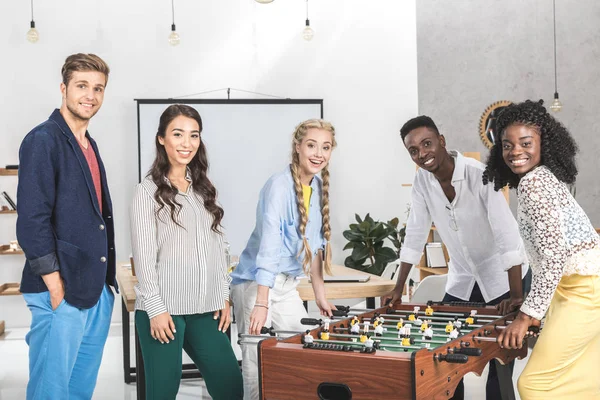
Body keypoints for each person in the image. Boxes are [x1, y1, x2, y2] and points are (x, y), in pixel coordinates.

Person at [382, 115, 530, 400]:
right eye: (413, 150)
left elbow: (508, 239)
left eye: (427, 143)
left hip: (504, 279)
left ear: (441, 141)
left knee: (499, 368)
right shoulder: (422, 183)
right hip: (462, 280)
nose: (422, 153)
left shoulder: (481, 175)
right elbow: (414, 234)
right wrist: (398, 288)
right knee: (445, 362)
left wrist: (516, 299)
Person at [483, 100, 600, 399]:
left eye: (525, 143)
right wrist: (530, 306)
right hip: (578, 288)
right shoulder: (542, 178)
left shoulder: (535, 183)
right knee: (586, 379)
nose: (515, 152)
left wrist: (526, 316)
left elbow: (553, 257)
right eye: (507, 145)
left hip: (584, 292)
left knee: (534, 384)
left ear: (542, 143)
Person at [17, 53, 116, 400]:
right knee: (50, 391)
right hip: (60, 291)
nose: (91, 95)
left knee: (78, 391)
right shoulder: (43, 139)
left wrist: (106, 287)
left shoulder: (90, 145)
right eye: (82, 86)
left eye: (98, 88)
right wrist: (55, 287)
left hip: (94, 289)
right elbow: (32, 219)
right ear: (64, 88)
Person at [130, 104, 243, 400]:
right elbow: (143, 257)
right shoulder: (146, 191)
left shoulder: (203, 188)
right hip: (164, 310)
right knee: (163, 392)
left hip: (205, 308)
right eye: (178, 134)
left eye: (194, 136)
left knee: (230, 384)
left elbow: (221, 247)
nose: (186, 143)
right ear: (161, 139)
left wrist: (222, 294)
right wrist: (155, 308)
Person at [231, 119, 337, 400]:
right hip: (256, 285)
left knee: (302, 351)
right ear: (298, 147)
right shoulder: (278, 186)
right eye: (312, 145)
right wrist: (262, 302)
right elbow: (269, 246)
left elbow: (314, 248)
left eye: (325, 147)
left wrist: (320, 297)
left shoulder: (315, 187)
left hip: (286, 285)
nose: (318, 153)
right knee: (254, 364)